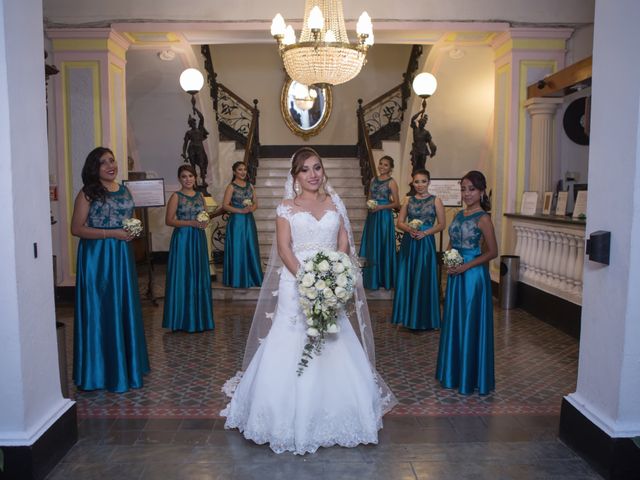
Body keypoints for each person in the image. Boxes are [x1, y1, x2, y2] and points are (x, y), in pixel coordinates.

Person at [221, 147, 397, 455]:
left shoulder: (334, 203)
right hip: (296, 283)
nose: (313, 174)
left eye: (317, 168)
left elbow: (343, 239)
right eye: (305, 170)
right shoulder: (285, 208)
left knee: (333, 339)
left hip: (330, 281)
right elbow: (285, 249)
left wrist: (335, 274)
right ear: (295, 176)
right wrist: (307, 279)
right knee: (292, 341)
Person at [70, 147, 150, 393]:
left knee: (123, 306)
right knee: (100, 308)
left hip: (121, 256)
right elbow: (77, 228)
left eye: (112, 160)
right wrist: (112, 233)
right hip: (97, 258)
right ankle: (98, 371)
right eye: (103, 162)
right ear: (94, 168)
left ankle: (126, 365)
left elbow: (130, 219)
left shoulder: (124, 189)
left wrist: (133, 230)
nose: (109, 166)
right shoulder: (87, 193)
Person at [436, 170, 498, 395]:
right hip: (456, 275)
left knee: (471, 323)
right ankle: (452, 372)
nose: (467, 193)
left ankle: (470, 376)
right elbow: (451, 243)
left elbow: (493, 252)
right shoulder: (458, 216)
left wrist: (465, 266)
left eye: (471, 189)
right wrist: (448, 259)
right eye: (463, 189)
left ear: (481, 191)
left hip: (473, 277)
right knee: (454, 321)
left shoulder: (483, 218)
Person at [162, 165, 215, 333]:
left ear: (195, 177)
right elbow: (169, 220)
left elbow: (206, 216)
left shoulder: (200, 196)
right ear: (179, 179)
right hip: (183, 240)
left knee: (198, 275)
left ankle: (201, 318)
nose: (188, 179)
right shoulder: (176, 196)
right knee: (182, 275)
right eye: (184, 176)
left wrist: (204, 221)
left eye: (191, 176)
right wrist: (191, 223)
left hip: (198, 239)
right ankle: (181, 320)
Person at [391, 169, 445, 330]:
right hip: (410, 242)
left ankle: (427, 319)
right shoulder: (408, 200)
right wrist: (409, 229)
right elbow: (400, 222)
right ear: (412, 183)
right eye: (416, 181)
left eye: (423, 181)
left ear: (429, 182)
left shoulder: (436, 200)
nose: (420, 185)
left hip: (426, 243)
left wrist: (425, 233)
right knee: (407, 277)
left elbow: (442, 224)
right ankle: (405, 317)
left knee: (424, 277)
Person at [359, 156, 400, 290]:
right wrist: (370, 204)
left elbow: (396, 203)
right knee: (373, 245)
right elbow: (370, 197)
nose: (382, 167)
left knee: (383, 245)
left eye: (386, 165)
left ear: (390, 168)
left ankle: (384, 278)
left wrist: (381, 207)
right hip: (373, 216)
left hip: (384, 217)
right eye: (381, 164)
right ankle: (372, 279)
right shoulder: (373, 180)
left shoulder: (392, 182)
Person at [222, 162, 263, 288]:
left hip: (248, 220)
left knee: (250, 246)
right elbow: (225, 205)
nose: (243, 172)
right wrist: (240, 210)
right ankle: (237, 278)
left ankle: (253, 276)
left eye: (245, 169)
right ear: (234, 172)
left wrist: (252, 208)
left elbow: (256, 203)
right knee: (238, 247)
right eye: (240, 169)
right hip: (237, 221)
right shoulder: (231, 187)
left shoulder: (250, 186)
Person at [181, 106, 209, 187]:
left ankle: (203, 181)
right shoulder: (188, 132)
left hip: (200, 149)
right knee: (192, 167)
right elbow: (185, 143)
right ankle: (195, 183)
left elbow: (202, 118)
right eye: (191, 123)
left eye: (194, 122)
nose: (193, 124)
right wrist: (184, 153)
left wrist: (195, 109)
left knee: (202, 165)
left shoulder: (200, 129)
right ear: (190, 124)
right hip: (192, 149)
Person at [410, 109, 437, 174]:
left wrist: (433, 151)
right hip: (416, 150)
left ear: (424, 124)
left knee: (422, 166)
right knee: (415, 165)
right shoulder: (415, 129)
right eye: (421, 123)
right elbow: (412, 119)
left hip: (423, 151)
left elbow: (430, 142)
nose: (422, 124)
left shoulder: (426, 132)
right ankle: (415, 178)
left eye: (423, 123)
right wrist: (420, 112)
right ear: (419, 123)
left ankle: (422, 177)